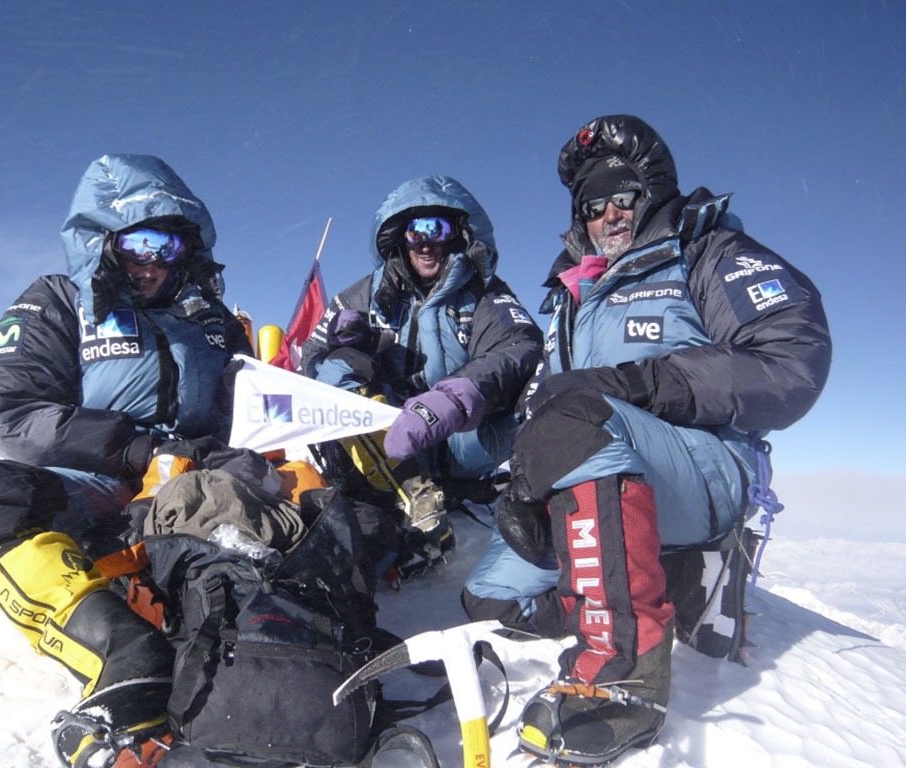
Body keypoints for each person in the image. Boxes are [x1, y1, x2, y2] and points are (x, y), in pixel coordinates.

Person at [462, 115, 832, 765]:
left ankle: (621, 675)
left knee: (578, 415)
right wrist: (521, 477)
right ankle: (662, 578)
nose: (608, 213)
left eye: (622, 196)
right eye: (592, 203)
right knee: (494, 600)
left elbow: (793, 360)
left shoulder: (707, 252)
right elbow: (542, 400)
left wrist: (635, 382)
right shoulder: (572, 296)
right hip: (597, 460)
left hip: (705, 463)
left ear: (651, 193)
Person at [0, 154, 253, 768]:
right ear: (103, 240)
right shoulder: (57, 301)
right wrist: (133, 448)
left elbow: (252, 409)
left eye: (170, 241)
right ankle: (125, 655)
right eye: (138, 240)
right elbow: (12, 407)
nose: (153, 259)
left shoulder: (212, 321)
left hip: (205, 481)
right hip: (99, 482)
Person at [299, 175, 543, 565]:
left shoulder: (485, 292)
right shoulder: (358, 297)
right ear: (401, 236)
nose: (427, 243)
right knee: (335, 370)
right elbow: (308, 357)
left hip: (466, 444)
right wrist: (343, 353)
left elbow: (520, 347)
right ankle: (411, 490)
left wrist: (457, 395)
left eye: (438, 229)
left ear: (457, 234)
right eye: (417, 232)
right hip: (385, 450)